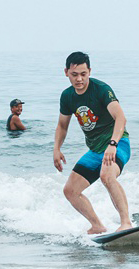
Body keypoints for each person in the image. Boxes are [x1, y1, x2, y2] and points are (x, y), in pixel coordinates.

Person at [53, 52, 132, 234]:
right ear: (66, 72)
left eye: (83, 74)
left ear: (89, 71)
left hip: (117, 144)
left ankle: (126, 223)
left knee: (107, 175)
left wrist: (112, 144)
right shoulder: (67, 96)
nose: (79, 79)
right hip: (96, 150)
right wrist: (56, 149)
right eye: (74, 75)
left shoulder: (101, 89)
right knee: (70, 190)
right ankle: (97, 226)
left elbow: (120, 118)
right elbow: (62, 126)